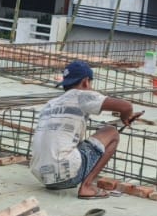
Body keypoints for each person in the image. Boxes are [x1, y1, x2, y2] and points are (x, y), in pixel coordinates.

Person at [28, 60, 138, 200]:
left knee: (73, 143)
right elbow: (126, 107)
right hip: (67, 176)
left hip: (44, 177)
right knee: (112, 132)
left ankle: (68, 179)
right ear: (86, 82)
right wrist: (125, 117)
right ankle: (86, 187)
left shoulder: (51, 104)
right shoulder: (82, 95)